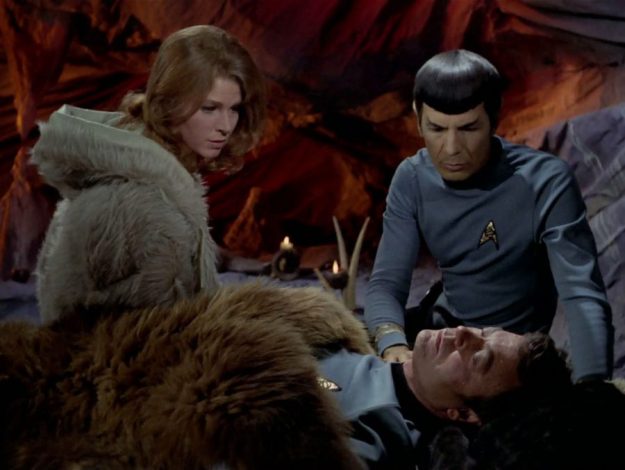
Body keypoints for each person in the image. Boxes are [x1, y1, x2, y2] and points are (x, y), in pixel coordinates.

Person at [364, 49, 613, 382]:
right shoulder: (412, 178)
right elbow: (386, 282)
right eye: (436, 129)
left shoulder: (544, 182)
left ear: (494, 120)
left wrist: (592, 388)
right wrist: (392, 343)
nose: (451, 148)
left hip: (507, 362)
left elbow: (581, 294)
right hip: (437, 338)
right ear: (417, 118)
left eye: (468, 129)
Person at [31, 25, 266, 323]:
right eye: (210, 108)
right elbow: (132, 332)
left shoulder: (164, 177)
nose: (226, 125)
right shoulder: (135, 198)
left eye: (234, 109)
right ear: (170, 103)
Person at [319, 325, 571, 469]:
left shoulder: (373, 432)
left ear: (464, 413)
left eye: (477, 358)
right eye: (483, 331)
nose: (462, 332)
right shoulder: (338, 331)